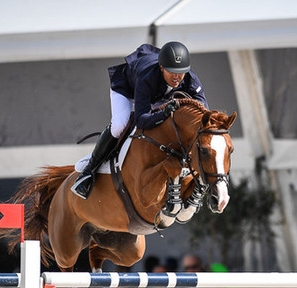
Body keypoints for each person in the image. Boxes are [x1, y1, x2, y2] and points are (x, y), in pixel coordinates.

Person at [71, 41, 208, 200]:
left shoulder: (191, 80)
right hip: (127, 89)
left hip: (158, 96)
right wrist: (163, 114)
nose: (177, 77)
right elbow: (142, 120)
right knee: (119, 125)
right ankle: (89, 171)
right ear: (162, 68)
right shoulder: (147, 78)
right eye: (172, 71)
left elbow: (204, 115)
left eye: (181, 72)